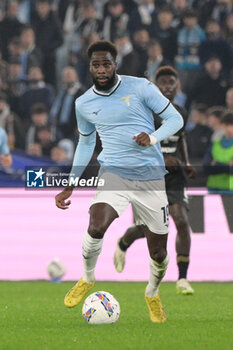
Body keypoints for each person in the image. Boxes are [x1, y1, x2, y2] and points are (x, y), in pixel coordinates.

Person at [55, 40, 183, 323]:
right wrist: (71, 182)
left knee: (159, 253)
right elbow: (86, 144)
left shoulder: (141, 87)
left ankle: (152, 292)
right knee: (96, 224)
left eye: (106, 64)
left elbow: (176, 119)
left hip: (150, 178)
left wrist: (152, 137)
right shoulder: (83, 103)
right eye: (96, 65)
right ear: (89, 67)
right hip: (113, 173)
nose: (101, 70)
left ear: (116, 64)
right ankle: (87, 277)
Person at [114, 66, 196, 295]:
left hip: (175, 177)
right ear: (156, 86)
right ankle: (123, 243)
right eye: (164, 83)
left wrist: (185, 162)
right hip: (149, 175)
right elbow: (134, 143)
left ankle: (182, 278)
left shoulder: (180, 111)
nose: (168, 86)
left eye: (172, 83)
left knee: (181, 221)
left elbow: (181, 139)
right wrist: (161, 158)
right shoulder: (144, 112)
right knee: (147, 229)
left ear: (177, 86)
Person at [203, 111, 233, 194]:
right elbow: (206, 167)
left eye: (231, 125)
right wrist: (228, 166)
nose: (229, 128)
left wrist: (216, 164)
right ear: (223, 125)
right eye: (227, 125)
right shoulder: (215, 144)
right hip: (213, 189)